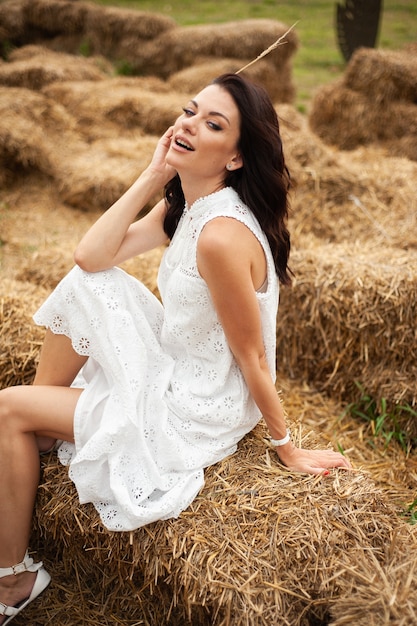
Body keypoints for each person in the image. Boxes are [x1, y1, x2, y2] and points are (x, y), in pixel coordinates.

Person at [0, 73, 351, 624]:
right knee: (83, 285)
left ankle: (14, 580)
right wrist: (154, 172)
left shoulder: (219, 235)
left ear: (235, 158)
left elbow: (253, 357)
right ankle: (36, 436)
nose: (189, 124)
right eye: (190, 111)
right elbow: (90, 257)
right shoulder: (186, 206)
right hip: (177, 359)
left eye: (213, 124)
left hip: (194, 404)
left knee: (6, 408)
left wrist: (287, 446)